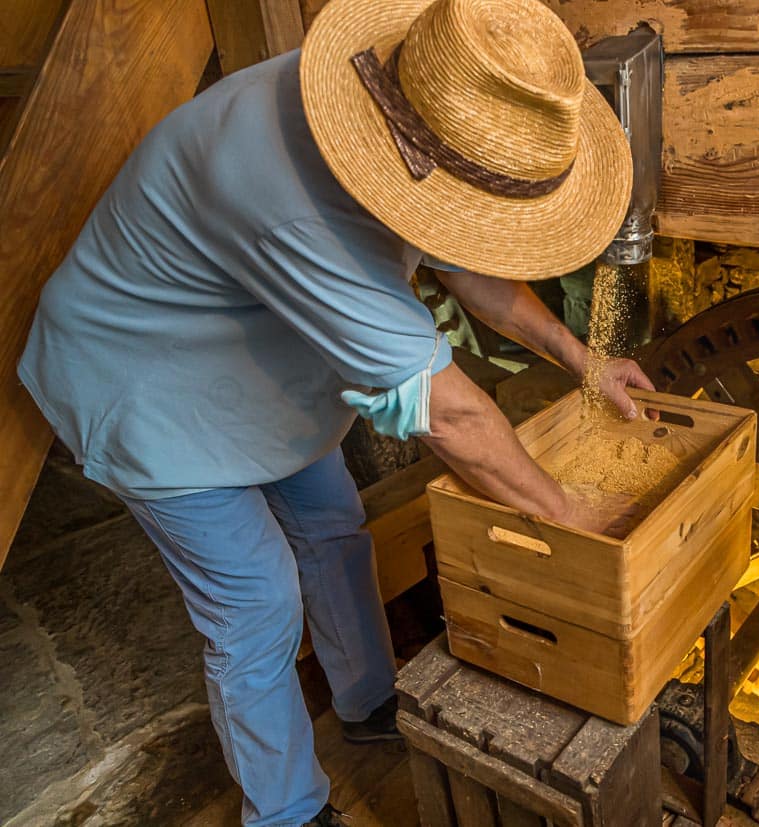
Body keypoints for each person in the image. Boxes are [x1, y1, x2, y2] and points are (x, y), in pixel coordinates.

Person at [17, 0, 651, 823]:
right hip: (141, 375)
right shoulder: (288, 198)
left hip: (253, 352)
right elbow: (450, 417)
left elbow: (469, 268)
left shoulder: (413, 106)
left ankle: (369, 701)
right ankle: (287, 810)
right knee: (256, 601)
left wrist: (584, 360)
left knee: (333, 526)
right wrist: (571, 518)